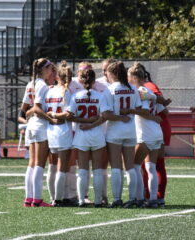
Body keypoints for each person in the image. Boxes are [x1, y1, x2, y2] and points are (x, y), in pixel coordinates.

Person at [69, 67, 114, 207]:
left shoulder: (75, 96)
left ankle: (82, 200)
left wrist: (85, 122)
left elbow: (70, 116)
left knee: (82, 170)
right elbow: (105, 116)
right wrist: (92, 123)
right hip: (97, 135)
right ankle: (97, 200)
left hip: (81, 135)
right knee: (97, 170)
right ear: (94, 80)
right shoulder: (100, 96)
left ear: (81, 80)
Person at [34, 62, 75, 206]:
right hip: (63, 131)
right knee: (62, 168)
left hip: (51, 131)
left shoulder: (49, 90)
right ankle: (58, 199)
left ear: (57, 76)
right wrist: (57, 115)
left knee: (52, 166)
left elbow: (43, 111)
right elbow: (69, 114)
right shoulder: (67, 92)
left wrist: (51, 115)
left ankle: (53, 198)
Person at [104, 61, 145, 208]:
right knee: (130, 167)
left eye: (107, 73)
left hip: (115, 131)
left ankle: (117, 199)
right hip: (130, 130)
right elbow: (139, 109)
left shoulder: (109, 90)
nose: (106, 76)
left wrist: (120, 116)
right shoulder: (133, 89)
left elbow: (107, 114)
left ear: (112, 74)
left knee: (116, 167)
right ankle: (132, 198)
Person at [21, 58, 57, 207]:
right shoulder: (42, 85)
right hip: (40, 125)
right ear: (44, 69)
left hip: (31, 125)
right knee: (39, 163)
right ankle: (36, 199)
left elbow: (24, 108)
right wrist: (51, 119)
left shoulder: (31, 84)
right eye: (49, 67)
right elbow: (36, 108)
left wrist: (30, 112)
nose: (51, 70)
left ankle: (29, 198)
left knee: (32, 163)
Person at [128, 63, 165, 208]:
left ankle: (139, 197)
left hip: (145, 133)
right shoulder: (149, 91)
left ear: (133, 77)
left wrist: (129, 111)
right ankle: (153, 199)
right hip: (156, 132)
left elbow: (144, 111)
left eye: (128, 76)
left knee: (135, 166)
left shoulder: (139, 92)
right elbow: (162, 109)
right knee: (151, 168)